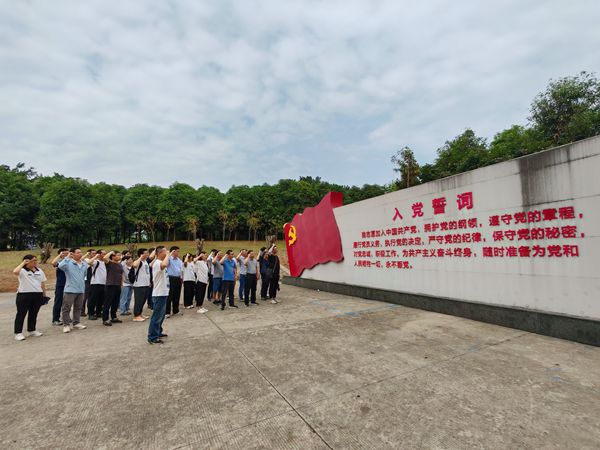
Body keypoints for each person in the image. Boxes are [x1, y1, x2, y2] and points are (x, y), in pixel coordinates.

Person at [12, 255, 47, 341]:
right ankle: (18, 333)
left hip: (37, 294)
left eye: (36, 260)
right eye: (33, 260)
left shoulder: (39, 270)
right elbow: (15, 272)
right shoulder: (22, 270)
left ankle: (32, 330)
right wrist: (23, 263)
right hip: (24, 294)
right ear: (27, 261)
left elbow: (42, 283)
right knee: (21, 313)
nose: (35, 262)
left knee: (33, 313)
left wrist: (44, 295)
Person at [58, 248, 89, 333]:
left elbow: (84, 275)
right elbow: (60, 266)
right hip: (70, 289)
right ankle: (66, 325)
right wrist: (67, 257)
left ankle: (76, 323)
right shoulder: (68, 263)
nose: (80, 254)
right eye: (78, 252)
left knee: (78, 307)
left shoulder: (84, 264)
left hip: (81, 289)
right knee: (66, 308)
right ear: (72, 254)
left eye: (81, 252)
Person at [148, 246, 171, 344]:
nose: (167, 253)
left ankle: (158, 332)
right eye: (165, 252)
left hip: (163, 292)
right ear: (160, 253)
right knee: (157, 316)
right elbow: (164, 264)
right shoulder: (158, 263)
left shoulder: (158, 262)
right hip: (159, 293)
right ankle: (152, 337)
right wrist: (168, 255)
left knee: (161, 316)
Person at [102, 251, 124, 326]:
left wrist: (121, 283)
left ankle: (114, 317)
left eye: (120, 255)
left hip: (118, 285)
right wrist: (111, 252)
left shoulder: (120, 264)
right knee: (108, 302)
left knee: (115, 302)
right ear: (113, 256)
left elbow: (121, 274)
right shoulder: (109, 263)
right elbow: (104, 257)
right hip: (110, 285)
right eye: (118, 255)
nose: (120, 256)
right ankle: (105, 319)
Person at [86, 249, 106, 320]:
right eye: (103, 254)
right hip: (95, 283)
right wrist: (96, 256)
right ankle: (91, 313)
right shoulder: (96, 261)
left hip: (103, 283)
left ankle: (98, 312)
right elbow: (89, 262)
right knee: (92, 299)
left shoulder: (105, 262)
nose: (105, 255)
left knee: (101, 300)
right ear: (99, 254)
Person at [132, 248, 151, 322]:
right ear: (141, 254)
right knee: (138, 301)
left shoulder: (145, 262)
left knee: (143, 300)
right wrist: (140, 257)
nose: (147, 254)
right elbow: (134, 265)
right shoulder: (138, 261)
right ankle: (136, 315)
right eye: (146, 253)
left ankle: (140, 314)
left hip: (146, 284)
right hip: (139, 285)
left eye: (147, 253)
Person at [51, 248, 69, 326]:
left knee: (68, 302)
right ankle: (55, 319)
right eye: (64, 253)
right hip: (61, 285)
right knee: (58, 302)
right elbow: (53, 263)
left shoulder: (70, 262)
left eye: (68, 253)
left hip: (69, 284)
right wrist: (59, 255)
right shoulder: (59, 262)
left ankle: (66, 317)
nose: (67, 255)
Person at [165, 246, 183, 317]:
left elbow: (181, 269)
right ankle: (167, 312)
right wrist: (169, 254)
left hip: (178, 278)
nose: (178, 253)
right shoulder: (169, 258)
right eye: (177, 251)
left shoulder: (179, 260)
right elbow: (165, 263)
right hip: (170, 278)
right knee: (170, 295)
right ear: (173, 251)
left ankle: (176, 310)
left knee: (177, 295)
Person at [81, 249, 96, 316]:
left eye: (95, 253)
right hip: (87, 280)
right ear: (89, 254)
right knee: (85, 296)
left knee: (92, 297)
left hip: (93, 280)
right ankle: (82, 311)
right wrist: (86, 254)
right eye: (93, 253)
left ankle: (91, 310)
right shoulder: (86, 260)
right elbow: (81, 259)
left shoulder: (95, 261)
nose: (94, 254)